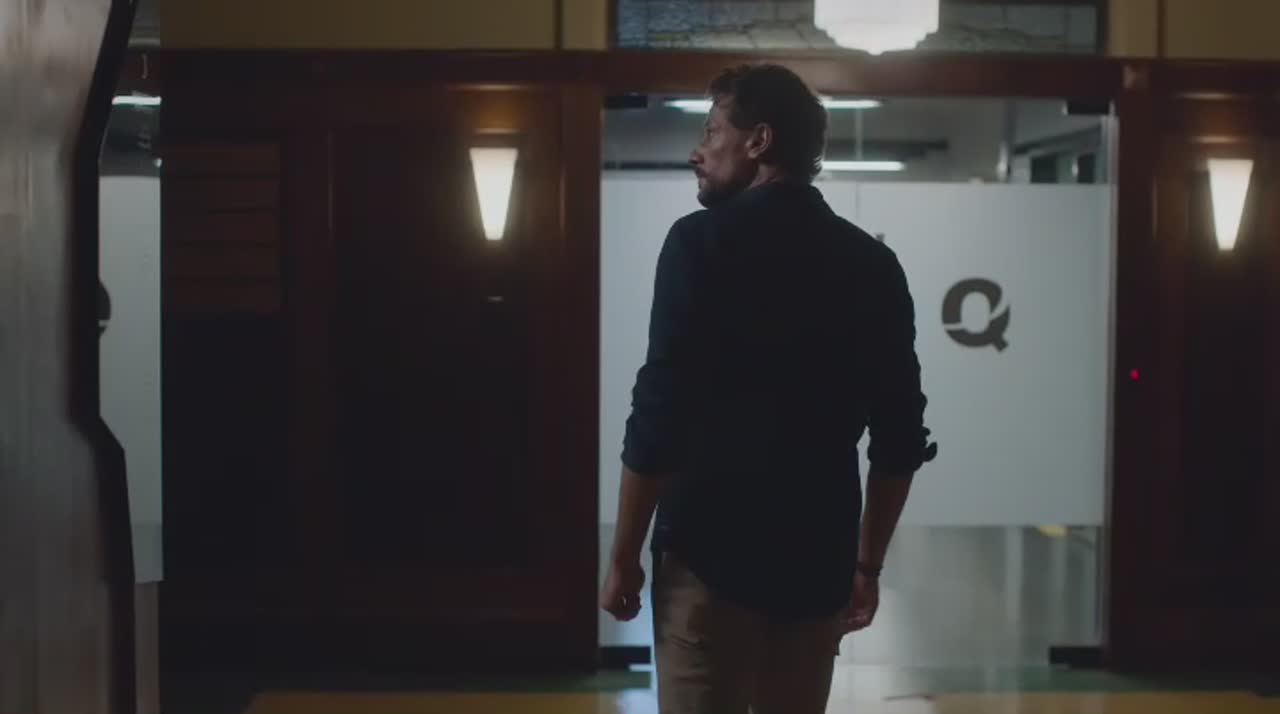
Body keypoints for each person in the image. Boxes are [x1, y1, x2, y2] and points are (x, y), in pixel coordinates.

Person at [600, 63, 937, 714]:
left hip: (707, 560)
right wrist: (865, 567)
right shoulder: (873, 265)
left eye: (711, 131)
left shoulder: (699, 244)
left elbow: (659, 415)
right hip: (817, 568)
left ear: (759, 141)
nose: (697, 151)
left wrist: (623, 556)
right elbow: (899, 436)